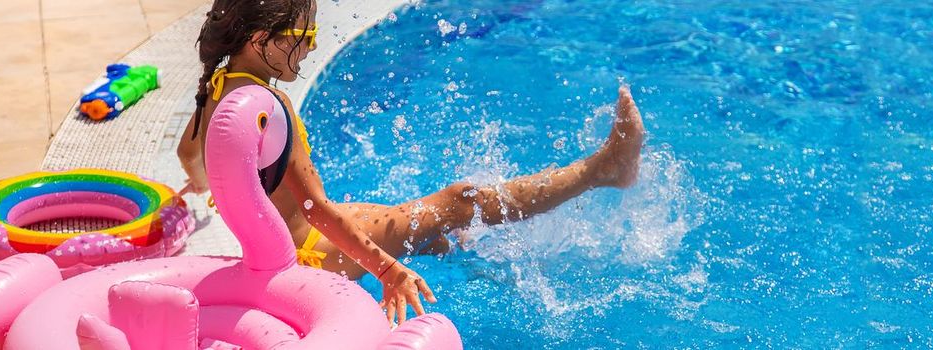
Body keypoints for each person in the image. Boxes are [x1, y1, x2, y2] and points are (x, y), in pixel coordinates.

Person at [175, 0, 644, 324]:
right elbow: (317, 208)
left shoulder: (215, 91)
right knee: (463, 201)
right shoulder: (270, 109)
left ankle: (453, 246)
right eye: (305, 34)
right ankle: (602, 169)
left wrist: (221, 186)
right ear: (262, 40)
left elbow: (189, 155)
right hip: (317, 254)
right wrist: (386, 270)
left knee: (433, 232)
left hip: (294, 248)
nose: (313, 46)